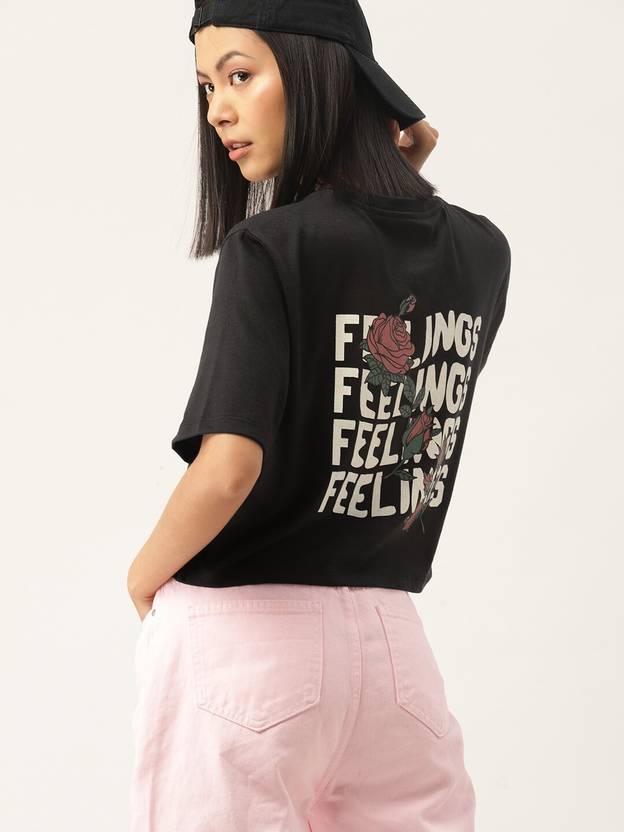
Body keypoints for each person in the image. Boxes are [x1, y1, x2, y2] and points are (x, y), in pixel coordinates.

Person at [127, 2, 511, 830]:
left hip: (246, 644)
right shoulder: (482, 249)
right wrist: (389, 160)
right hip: (394, 650)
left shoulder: (269, 247)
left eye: (240, 74)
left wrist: (143, 576)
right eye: (206, 87)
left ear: (319, 70)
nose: (218, 111)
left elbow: (230, 467)